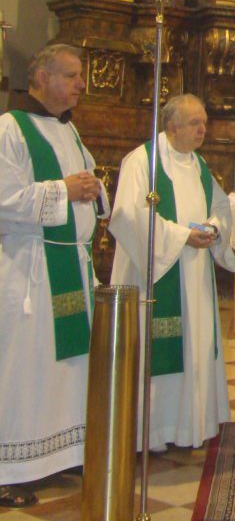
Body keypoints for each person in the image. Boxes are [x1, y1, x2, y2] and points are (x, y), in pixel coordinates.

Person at [0, 45, 107, 508]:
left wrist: (94, 189)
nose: (81, 84)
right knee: (23, 368)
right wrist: (64, 189)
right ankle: (8, 470)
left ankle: (57, 455)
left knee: (66, 367)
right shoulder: (10, 129)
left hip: (70, 266)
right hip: (31, 268)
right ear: (41, 78)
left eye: (81, 75)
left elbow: (86, 186)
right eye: (72, 75)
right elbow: (5, 200)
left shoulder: (69, 130)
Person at [108, 94, 235, 451]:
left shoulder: (198, 164)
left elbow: (221, 206)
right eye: (195, 123)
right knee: (158, 349)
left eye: (204, 123)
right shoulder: (142, 162)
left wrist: (214, 228)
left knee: (195, 345)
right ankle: (152, 432)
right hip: (156, 273)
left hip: (194, 274)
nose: (202, 129)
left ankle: (189, 425)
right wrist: (182, 237)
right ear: (170, 126)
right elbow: (128, 215)